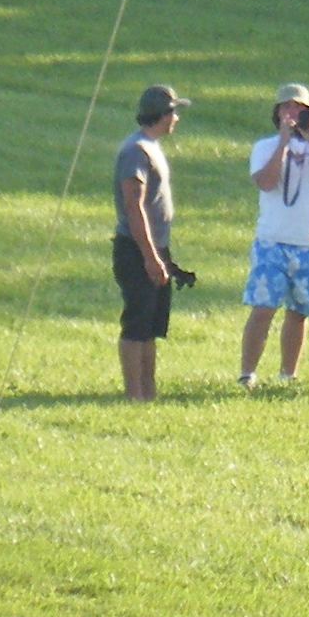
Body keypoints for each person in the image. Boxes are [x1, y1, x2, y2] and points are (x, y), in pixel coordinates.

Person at [239, 83, 309, 388]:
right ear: (277, 113)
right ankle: (247, 373)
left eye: (300, 108)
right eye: (287, 107)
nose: (293, 113)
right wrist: (284, 143)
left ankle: (288, 375)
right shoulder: (265, 147)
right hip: (273, 241)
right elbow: (265, 182)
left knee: (299, 312)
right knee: (263, 308)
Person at [112, 84, 189, 401]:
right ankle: (134, 394)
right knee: (137, 322)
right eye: (174, 112)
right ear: (162, 114)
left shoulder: (150, 147)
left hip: (155, 248)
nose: (177, 119)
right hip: (137, 249)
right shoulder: (136, 151)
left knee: (151, 324)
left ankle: (148, 391)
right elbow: (134, 206)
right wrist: (150, 257)